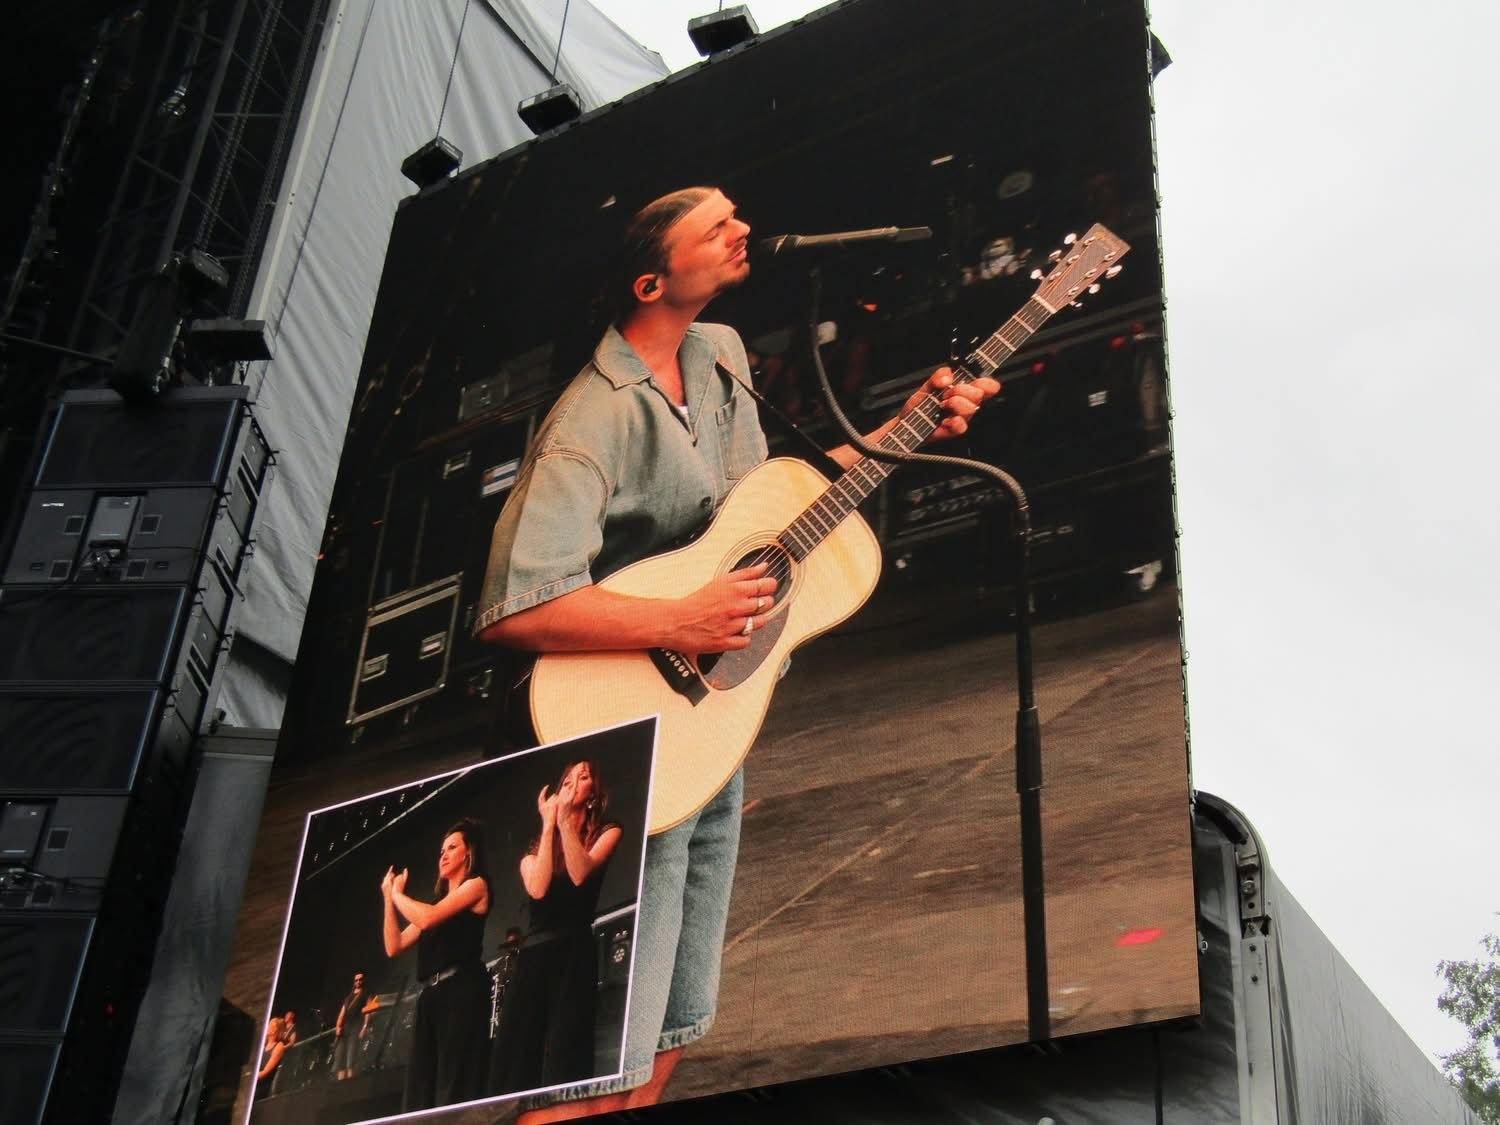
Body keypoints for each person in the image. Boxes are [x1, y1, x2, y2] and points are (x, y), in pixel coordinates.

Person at [477, 186, 997, 1121]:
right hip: (626, 732)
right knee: (597, 1044)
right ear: (651, 279)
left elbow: (768, 514)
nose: (742, 229)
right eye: (715, 226)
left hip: (711, 724)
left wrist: (907, 425)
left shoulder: (719, 355)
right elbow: (516, 612)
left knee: (674, 1023)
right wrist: (679, 621)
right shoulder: (588, 426)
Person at [492, 760, 622, 1094]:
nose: (573, 783)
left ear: (593, 794)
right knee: (517, 1050)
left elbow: (580, 874)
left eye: (583, 777)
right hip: (534, 955)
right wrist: (549, 824)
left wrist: (564, 820)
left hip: (574, 950)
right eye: (567, 779)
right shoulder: (531, 855)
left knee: (567, 1051)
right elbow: (538, 889)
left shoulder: (609, 832)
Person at [382, 818, 492, 1110]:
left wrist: (398, 894)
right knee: (421, 1089)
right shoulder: (436, 902)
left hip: (462, 990)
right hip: (432, 997)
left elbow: (428, 917)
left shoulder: (476, 885)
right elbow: (394, 946)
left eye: (451, 848)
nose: (443, 855)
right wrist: (387, 900)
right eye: (441, 850)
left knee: (454, 1085)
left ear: (468, 853)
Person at [333, 971, 368, 1080]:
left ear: (363, 980)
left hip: (356, 1027)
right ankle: (340, 1087)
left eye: (360, 979)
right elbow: (342, 1013)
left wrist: (365, 1027)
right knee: (340, 1060)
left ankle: (350, 1084)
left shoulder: (366, 995)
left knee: (351, 1058)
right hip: (345, 1029)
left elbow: (368, 1011)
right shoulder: (348, 997)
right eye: (356, 980)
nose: (358, 981)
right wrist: (338, 1026)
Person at [255, 1016, 288, 1099]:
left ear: (275, 1030)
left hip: (261, 1088)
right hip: (254, 1082)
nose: (267, 1027)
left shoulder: (279, 1046)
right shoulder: (263, 1044)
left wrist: (251, 1079)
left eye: (270, 1025)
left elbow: (265, 1072)